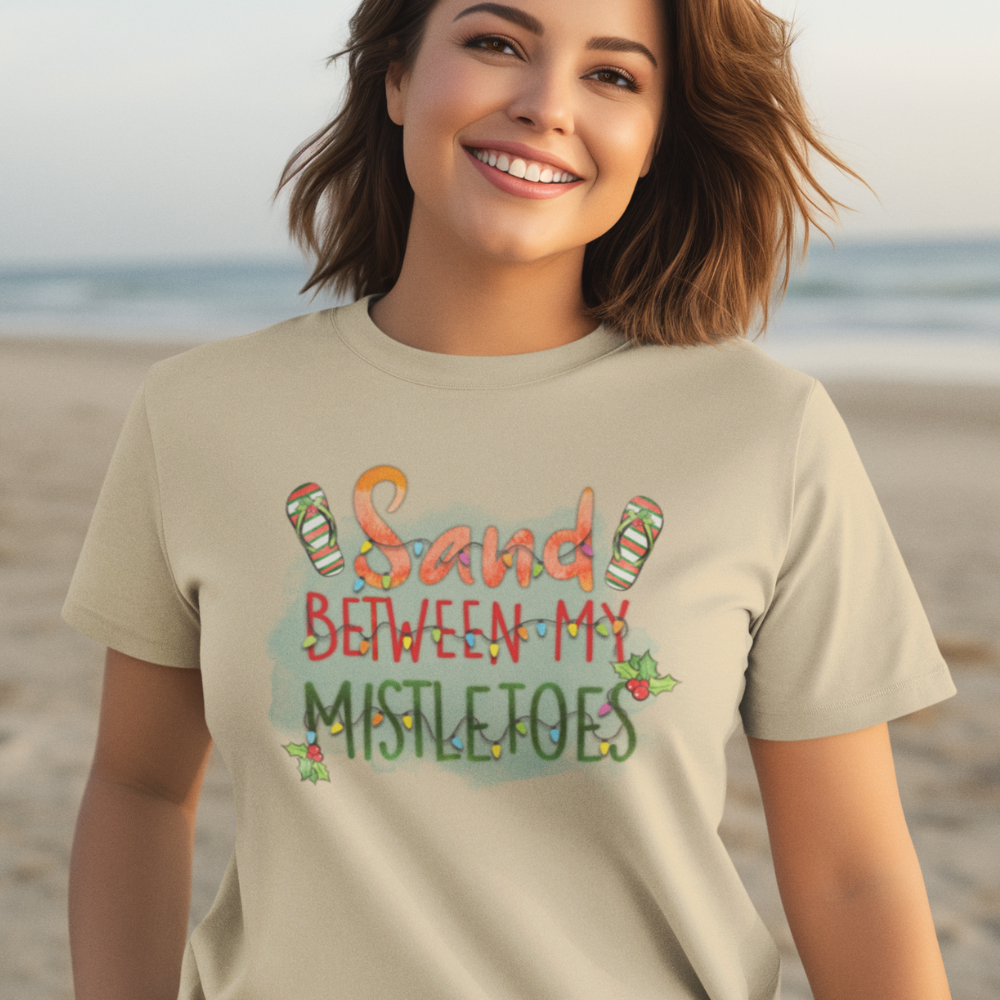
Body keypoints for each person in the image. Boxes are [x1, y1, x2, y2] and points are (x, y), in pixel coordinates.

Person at [64, 0, 956, 996]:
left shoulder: (766, 432)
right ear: (396, 78)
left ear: (657, 137)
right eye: (496, 44)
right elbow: (138, 788)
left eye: (612, 76)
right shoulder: (200, 415)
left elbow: (851, 876)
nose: (544, 106)